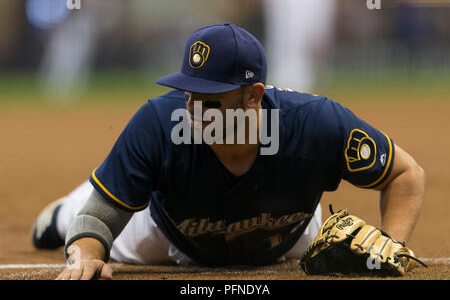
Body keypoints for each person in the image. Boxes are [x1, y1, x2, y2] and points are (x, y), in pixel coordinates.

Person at [31, 23, 425, 280]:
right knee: (75, 217)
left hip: (290, 238)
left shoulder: (315, 123)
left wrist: (390, 247)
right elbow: (102, 217)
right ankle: (65, 206)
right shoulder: (158, 122)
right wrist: (83, 255)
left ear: (253, 95)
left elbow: (405, 173)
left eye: (209, 99)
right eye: (189, 93)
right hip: (167, 236)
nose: (192, 108)